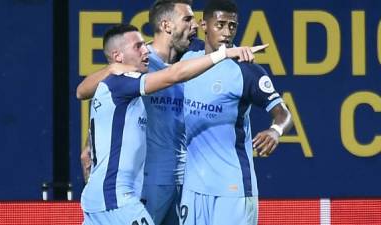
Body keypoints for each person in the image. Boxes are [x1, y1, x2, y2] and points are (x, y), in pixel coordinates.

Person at [80, 23, 266, 225]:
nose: (146, 51)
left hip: (99, 198)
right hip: (116, 200)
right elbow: (174, 75)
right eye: (139, 46)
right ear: (117, 56)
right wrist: (223, 54)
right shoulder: (121, 82)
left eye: (145, 45)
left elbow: (83, 93)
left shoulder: (111, 84)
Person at [78, 1, 203, 224]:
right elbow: (85, 91)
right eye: (187, 19)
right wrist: (111, 68)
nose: (195, 25)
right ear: (167, 25)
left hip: (182, 178)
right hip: (147, 181)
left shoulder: (192, 62)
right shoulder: (140, 63)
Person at [179, 1, 293, 225]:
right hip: (193, 187)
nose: (226, 32)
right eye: (219, 25)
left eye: (232, 26)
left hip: (232, 188)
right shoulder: (187, 59)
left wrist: (275, 131)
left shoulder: (247, 70)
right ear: (204, 24)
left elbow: (283, 113)